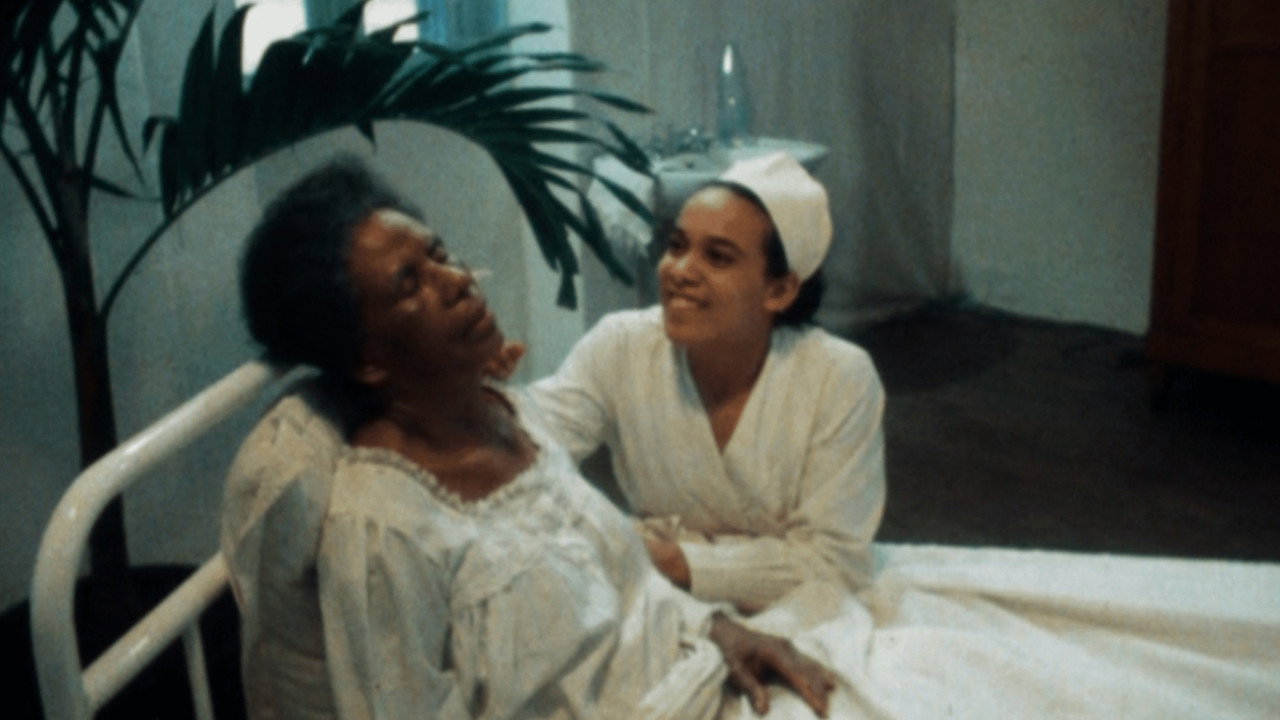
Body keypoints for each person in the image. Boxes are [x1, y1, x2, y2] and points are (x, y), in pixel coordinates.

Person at [221, 155, 843, 720]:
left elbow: (623, 584)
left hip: (699, 669)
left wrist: (720, 631)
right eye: (410, 284)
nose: (456, 279)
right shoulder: (384, 526)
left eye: (439, 253)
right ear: (366, 359)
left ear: (780, 290)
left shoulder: (515, 418)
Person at [522, 152, 886, 613]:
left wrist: (672, 561)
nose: (679, 271)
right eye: (676, 246)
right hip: (653, 596)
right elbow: (525, 449)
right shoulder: (621, 345)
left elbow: (835, 564)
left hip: (794, 604)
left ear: (779, 290)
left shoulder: (838, 377)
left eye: (718, 257)